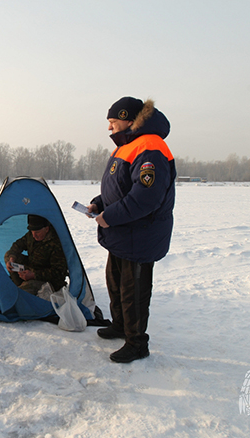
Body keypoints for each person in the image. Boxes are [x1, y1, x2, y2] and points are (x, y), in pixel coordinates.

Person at [87, 97, 176, 363]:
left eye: (113, 122)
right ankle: (120, 325)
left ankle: (137, 342)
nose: (110, 128)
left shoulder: (150, 147)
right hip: (122, 233)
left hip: (140, 235)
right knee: (115, 283)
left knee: (133, 291)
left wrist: (109, 216)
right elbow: (120, 188)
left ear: (128, 119)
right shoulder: (128, 146)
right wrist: (99, 203)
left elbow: (146, 197)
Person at [4, 215, 68, 296]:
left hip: (46, 280)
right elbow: (18, 245)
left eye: (37, 232)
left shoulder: (57, 243)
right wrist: (12, 258)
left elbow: (58, 273)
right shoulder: (32, 235)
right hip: (32, 268)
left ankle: (23, 289)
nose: (34, 236)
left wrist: (34, 275)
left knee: (21, 293)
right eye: (32, 232)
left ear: (47, 229)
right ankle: (20, 285)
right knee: (8, 255)